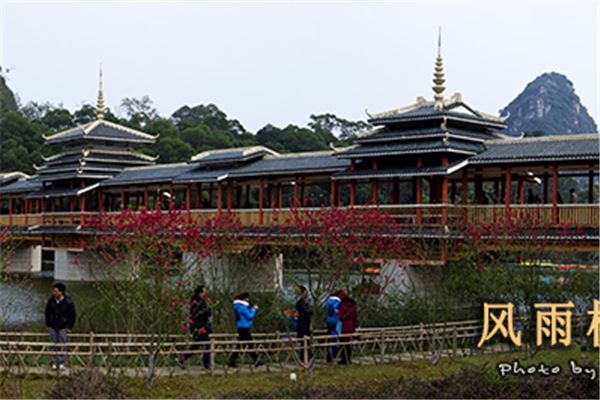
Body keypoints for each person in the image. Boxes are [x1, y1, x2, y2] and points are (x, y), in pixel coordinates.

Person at [45, 282, 76, 371]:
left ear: (61, 292)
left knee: (62, 344)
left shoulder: (68, 301)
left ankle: (61, 362)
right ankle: (54, 362)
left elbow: (72, 315)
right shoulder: (51, 300)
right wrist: (48, 324)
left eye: (56, 291)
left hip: (63, 326)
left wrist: (70, 327)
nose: (54, 292)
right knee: (53, 344)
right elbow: (47, 313)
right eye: (54, 291)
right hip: (53, 326)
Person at [179, 286, 212, 369]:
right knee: (206, 344)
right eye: (204, 292)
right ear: (199, 293)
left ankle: (183, 358)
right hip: (199, 327)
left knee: (197, 345)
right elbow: (196, 314)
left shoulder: (202, 302)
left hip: (201, 326)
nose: (205, 293)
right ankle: (206, 364)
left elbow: (208, 313)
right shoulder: (197, 303)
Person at [228, 292, 260, 367]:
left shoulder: (239, 306)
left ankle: (232, 361)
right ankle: (256, 360)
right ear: (244, 299)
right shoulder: (242, 307)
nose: (248, 300)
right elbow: (250, 316)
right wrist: (254, 309)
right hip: (244, 328)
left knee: (243, 345)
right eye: (247, 298)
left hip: (242, 328)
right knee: (249, 345)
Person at [337, 291, 357, 365]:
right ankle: (348, 359)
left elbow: (340, 315)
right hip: (351, 326)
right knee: (347, 344)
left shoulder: (342, 305)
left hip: (343, 326)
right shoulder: (353, 305)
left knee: (343, 343)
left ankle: (344, 359)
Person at [294, 285, 313, 363]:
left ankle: (306, 356)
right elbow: (307, 312)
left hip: (303, 323)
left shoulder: (302, 302)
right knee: (304, 341)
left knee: (305, 341)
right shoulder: (302, 302)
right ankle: (305, 357)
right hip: (304, 324)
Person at [325, 291, 342, 362]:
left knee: (329, 339)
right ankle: (334, 354)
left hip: (329, 321)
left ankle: (328, 356)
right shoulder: (337, 302)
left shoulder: (328, 302)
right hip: (336, 322)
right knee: (335, 338)